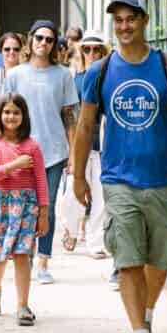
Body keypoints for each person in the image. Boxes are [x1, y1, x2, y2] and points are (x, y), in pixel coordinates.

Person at [72, 0, 167, 333]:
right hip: (118, 179)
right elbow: (84, 128)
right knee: (127, 257)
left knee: (159, 258)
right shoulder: (100, 72)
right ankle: (139, 332)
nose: (124, 26)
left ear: (144, 20)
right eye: (118, 20)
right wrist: (79, 176)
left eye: (131, 19)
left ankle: (146, 310)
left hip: (162, 178)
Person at [2, 19, 79, 284]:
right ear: (30, 40)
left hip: (54, 151)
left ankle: (44, 261)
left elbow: (70, 117)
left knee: (47, 207)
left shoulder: (63, 75)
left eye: (49, 40)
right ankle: (27, 255)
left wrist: (73, 154)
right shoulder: (15, 75)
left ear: (54, 44)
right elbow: (5, 115)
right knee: (24, 206)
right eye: (39, 38)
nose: (43, 43)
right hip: (21, 151)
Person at [0, 95, 49, 326]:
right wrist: (15, 165)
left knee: (22, 254)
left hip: (26, 205)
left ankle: (23, 305)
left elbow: (41, 181)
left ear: (24, 116)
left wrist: (43, 213)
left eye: (16, 112)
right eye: (7, 112)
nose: (11, 116)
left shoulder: (32, 146)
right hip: (0, 203)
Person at [59, 31, 111, 258]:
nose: (92, 53)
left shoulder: (110, 77)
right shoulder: (75, 79)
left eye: (96, 49)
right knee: (72, 193)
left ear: (103, 52)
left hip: (103, 145)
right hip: (79, 144)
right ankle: (70, 229)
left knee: (101, 196)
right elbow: (69, 114)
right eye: (87, 49)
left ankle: (95, 242)